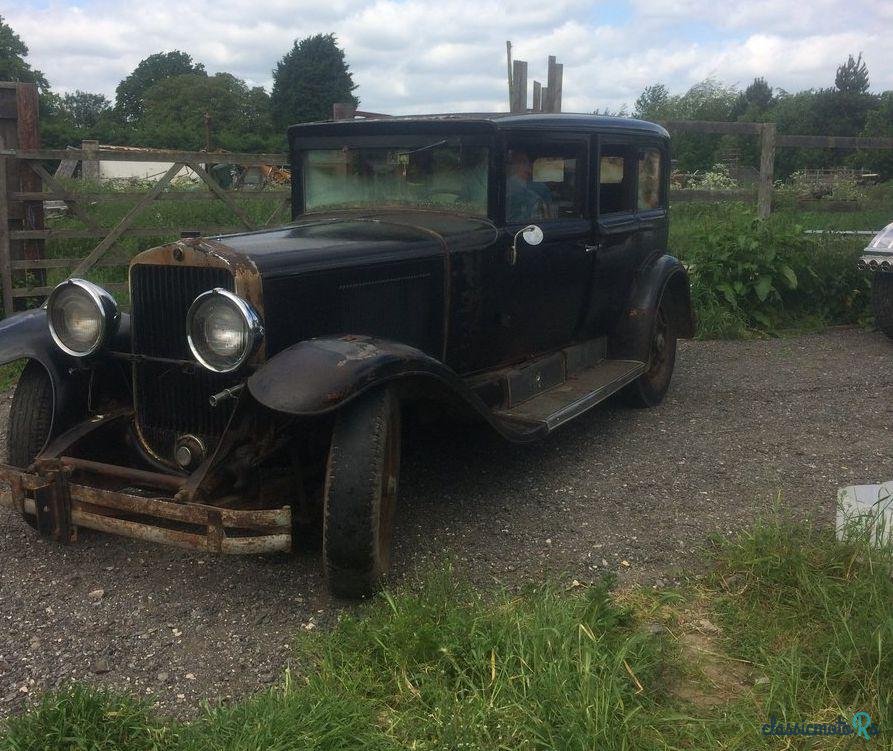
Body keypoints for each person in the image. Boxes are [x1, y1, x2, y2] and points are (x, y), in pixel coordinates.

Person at [506, 151, 553, 221]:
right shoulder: (503, 187)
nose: (526, 166)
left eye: (526, 162)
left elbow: (546, 219)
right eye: (520, 162)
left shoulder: (541, 190)